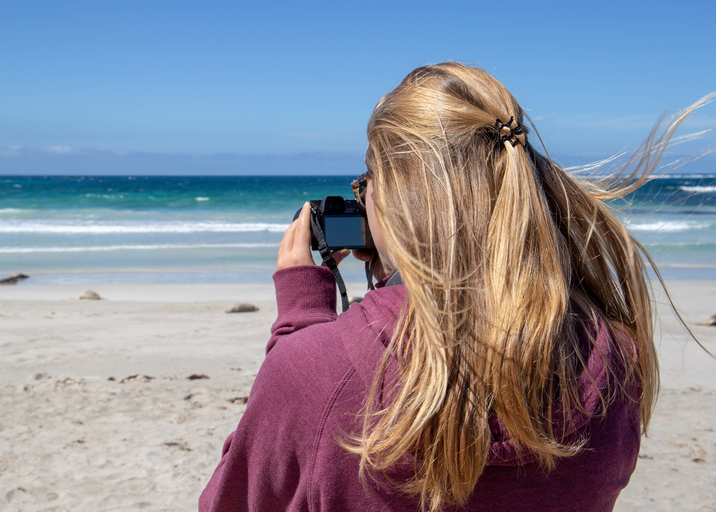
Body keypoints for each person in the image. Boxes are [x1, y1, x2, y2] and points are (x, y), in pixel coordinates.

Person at [199, 62, 710, 511]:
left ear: (397, 195)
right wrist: (398, 283)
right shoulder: (616, 356)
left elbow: (235, 496)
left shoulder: (316, 375)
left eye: (367, 183)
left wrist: (301, 320)